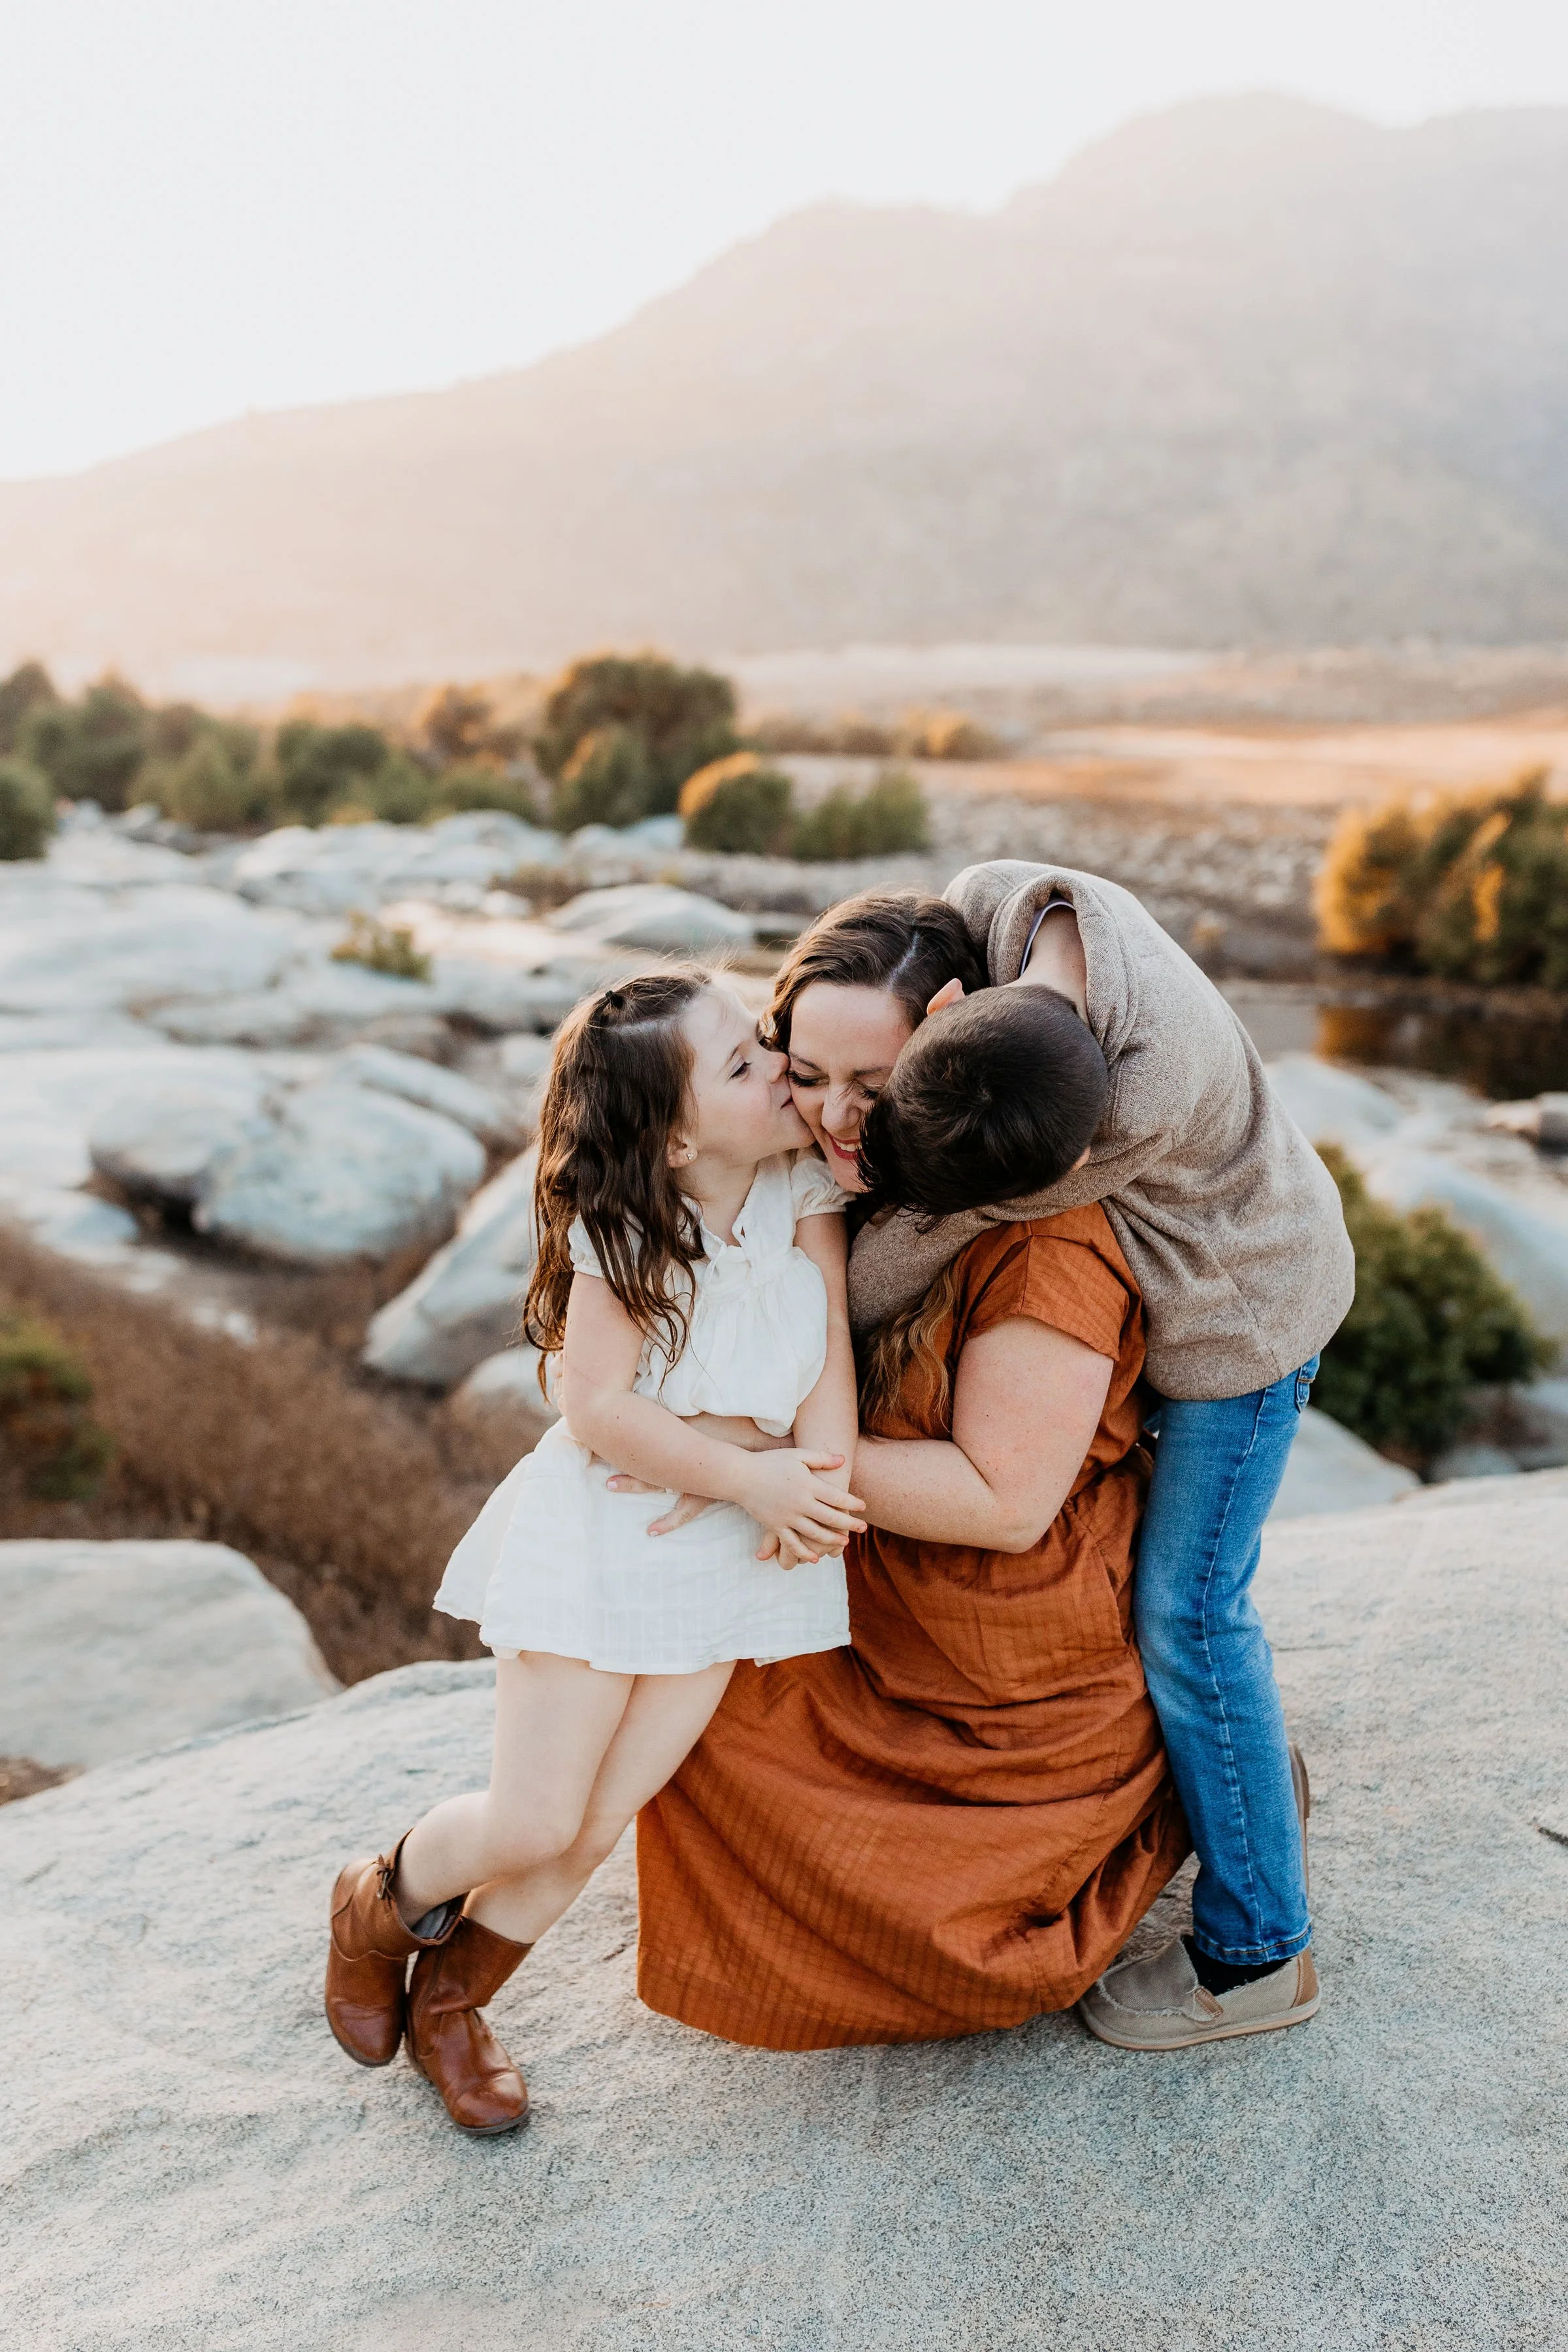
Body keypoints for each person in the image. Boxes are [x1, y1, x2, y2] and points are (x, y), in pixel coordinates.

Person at [802, 879, 1348, 2047]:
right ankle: (1248, 1791)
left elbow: (933, 1239)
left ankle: (1259, 1956)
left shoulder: (1122, 1103)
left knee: (1191, 1616)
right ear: (953, 1003)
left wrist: (809, 1292)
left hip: (1249, 1321)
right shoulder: (993, 905)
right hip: (1207, 1256)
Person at [632, 913, 1189, 2043]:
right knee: (660, 1707)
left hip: (1008, 1661)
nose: (838, 1119)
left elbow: (1005, 1499)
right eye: (809, 1074)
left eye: (875, 1087)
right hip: (867, 1605)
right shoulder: (808, 1176)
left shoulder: (1047, 1238)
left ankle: (1186, 1797)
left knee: (964, 1942)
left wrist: (750, 1465)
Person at [323, 970, 862, 2131]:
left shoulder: (803, 1187)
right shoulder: (627, 1234)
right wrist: (737, 1468)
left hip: (728, 1554)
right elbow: (598, 1412)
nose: (781, 1070)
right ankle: (379, 1901)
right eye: (744, 1065)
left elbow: (828, 1346)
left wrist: (809, 1484)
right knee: (535, 1820)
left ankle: (453, 2006)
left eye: (763, 1044)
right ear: (672, 1140)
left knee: (601, 1821)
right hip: (604, 1536)